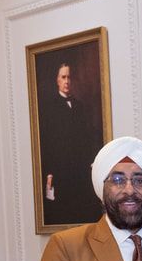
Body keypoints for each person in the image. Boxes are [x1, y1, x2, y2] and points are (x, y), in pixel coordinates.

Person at [39, 62, 104, 227]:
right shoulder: (49, 108)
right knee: (64, 210)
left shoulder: (80, 106)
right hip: (61, 171)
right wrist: (49, 174)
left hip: (80, 170)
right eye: (63, 77)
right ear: (57, 80)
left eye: (69, 77)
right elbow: (48, 143)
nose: (67, 81)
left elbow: (87, 137)